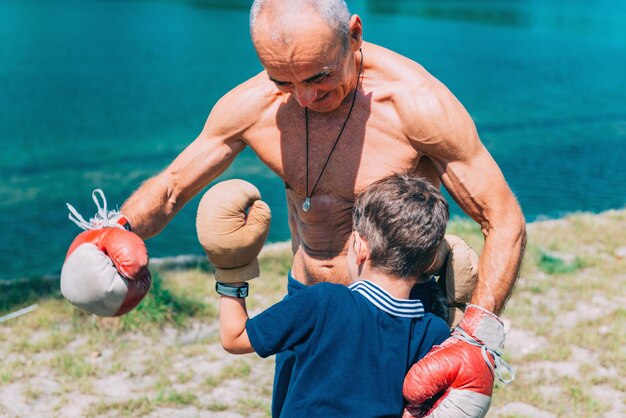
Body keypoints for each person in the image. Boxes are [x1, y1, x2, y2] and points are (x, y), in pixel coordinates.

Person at [62, 0, 526, 415]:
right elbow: (173, 186)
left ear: (355, 35)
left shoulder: (415, 104)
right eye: (284, 80)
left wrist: (475, 336)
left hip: (395, 320)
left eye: (320, 76)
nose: (305, 97)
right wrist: (118, 228)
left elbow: (502, 218)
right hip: (307, 304)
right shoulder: (257, 104)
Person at [218, 173, 451, 417]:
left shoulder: (323, 302)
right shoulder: (434, 331)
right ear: (430, 261)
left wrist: (230, 270)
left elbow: (235, 337)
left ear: (359, 247)